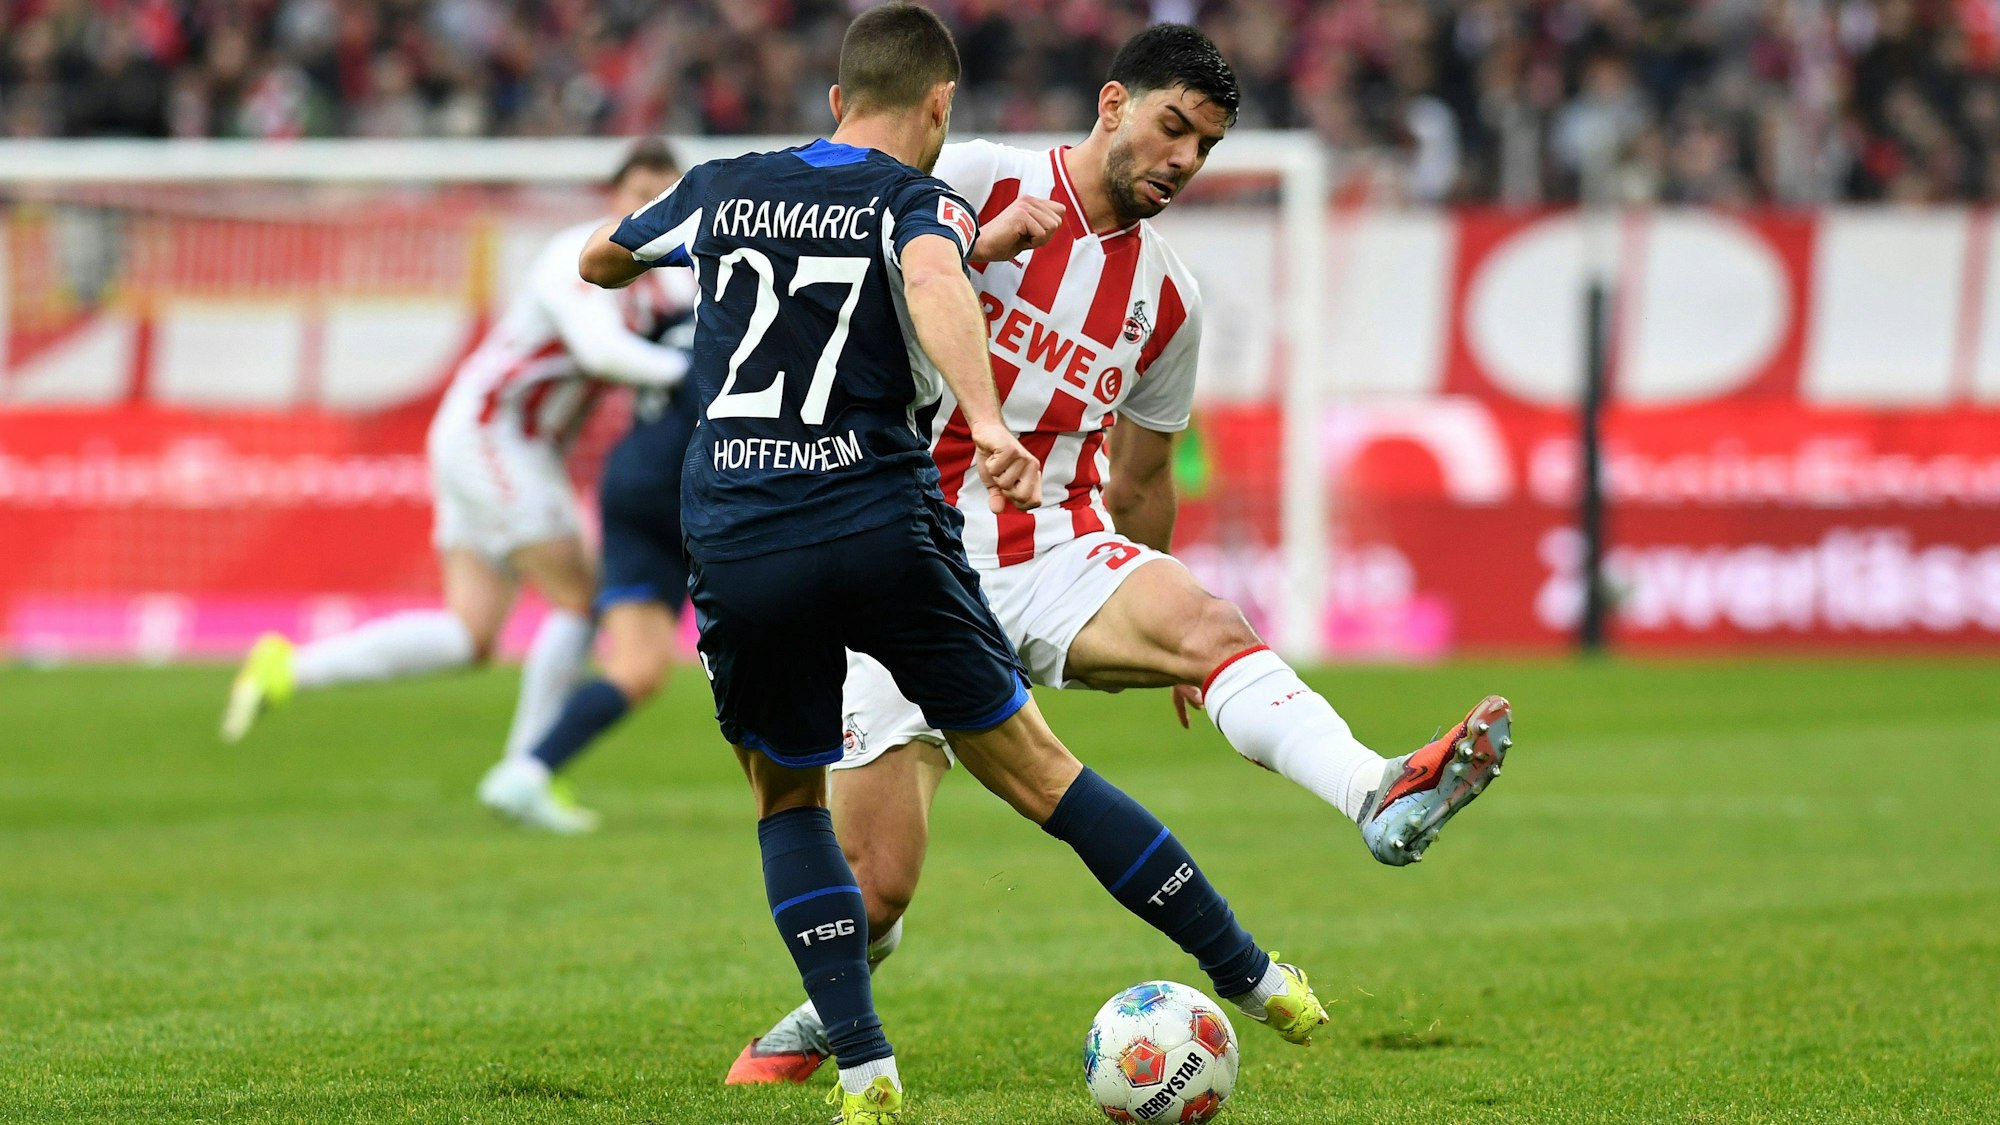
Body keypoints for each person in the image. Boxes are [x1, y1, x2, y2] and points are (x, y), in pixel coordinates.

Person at [726, 23, 1514, 1084]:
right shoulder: (964, 176)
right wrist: (971, 246)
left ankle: (1376, 794)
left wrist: (1160, 636)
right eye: (1170, 127)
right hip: (890, 552)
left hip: (1046, 547)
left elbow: (1140, 481)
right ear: (1110, 106)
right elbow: (835, 268)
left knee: (1211, 627)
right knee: (876, 890)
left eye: (1204, 146)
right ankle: (819, 1013)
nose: (1183, 160)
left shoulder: (1169, 302)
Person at [578, 7, 1326, 1123]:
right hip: (876, 522)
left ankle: (867, 1072)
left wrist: (702, 249)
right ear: (939, 108)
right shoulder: (916, 200)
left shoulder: (726, 185)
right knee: (1040, 774)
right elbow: (930, 282)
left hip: (734, 529)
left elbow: (603, 258)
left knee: (784, 804)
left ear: (834, 101)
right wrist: (987, 417)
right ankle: (1252, 973)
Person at [221, 141, 699, 837]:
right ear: (612, 197)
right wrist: (691, 372)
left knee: (470, 634)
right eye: (638, 192)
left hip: (511, 445)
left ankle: (289, 666)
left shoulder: (663, 281)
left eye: (665, 196)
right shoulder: (578, 252)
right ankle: (526, 769)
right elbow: (603, 353)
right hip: (493, 436)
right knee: (581, 594)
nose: (648, 207)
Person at [476, 327, 699, 832]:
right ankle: (804, 805)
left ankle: (526, 770)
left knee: (637, 667)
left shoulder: (674, 313)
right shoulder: (763, 306)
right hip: (704, 489)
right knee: (777, 648)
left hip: (632, 484)